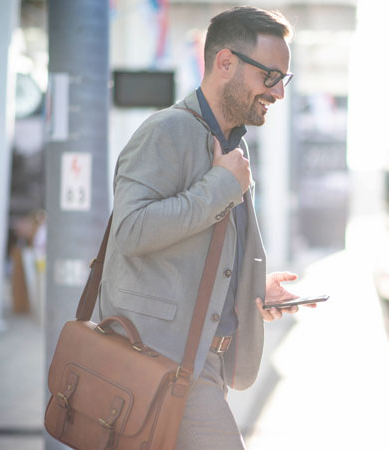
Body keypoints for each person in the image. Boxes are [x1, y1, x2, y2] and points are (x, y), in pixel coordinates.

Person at [98, 6, 312, 449]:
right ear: (225, 63)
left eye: (283, 79)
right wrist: (219, 186)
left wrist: (251, 291)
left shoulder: (230, 145)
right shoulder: (166, 132)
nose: (278, 93)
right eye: (270, 76)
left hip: (199, 365)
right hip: (161, 362)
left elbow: (191, 253)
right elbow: (131, 231)